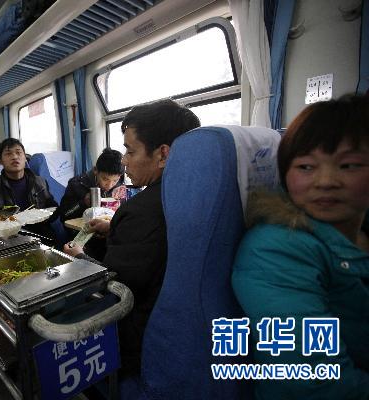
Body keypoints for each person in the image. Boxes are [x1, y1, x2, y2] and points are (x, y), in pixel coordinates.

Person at [231, 95, 369, 399]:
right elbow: (316, 378)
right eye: (306, 166)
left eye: (349, 165)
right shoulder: (275, 249)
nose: (326, 181)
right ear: (285, 174)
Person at [63, 99, 201, 377]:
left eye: (130, 150)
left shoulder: (140, 210)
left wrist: (80, 258)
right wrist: (113, 227)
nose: (124, 161)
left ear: (163, 154)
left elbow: (116, 285)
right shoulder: (193, 192)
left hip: (138, 333)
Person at [0, 137, 58, 240]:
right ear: (0, 161)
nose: (14, 157)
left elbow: (53, 209)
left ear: (25, 157)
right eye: (8, 154)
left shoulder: (40, 182)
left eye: (18, 153)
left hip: (42, 236)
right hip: (11, 238)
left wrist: (42, 216)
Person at [57, 147, 126, 223]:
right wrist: (83, 203)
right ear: (95, 170)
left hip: (109, 226)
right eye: (105, 179)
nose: (109, 186)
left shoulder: (120, 187)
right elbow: (64, 215)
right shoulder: (77, 184)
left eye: (115, 180)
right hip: (82, 227)